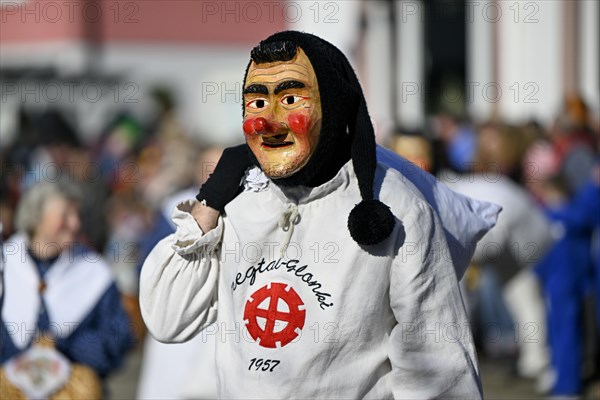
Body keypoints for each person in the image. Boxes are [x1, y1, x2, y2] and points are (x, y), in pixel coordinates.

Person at [140, 31, 499, 398]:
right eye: (257, 103)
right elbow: (168, 320)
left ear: (332, 105)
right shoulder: (239, 200)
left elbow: (436, 363)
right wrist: (210, 201)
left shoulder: (394, 209)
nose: (268, 122)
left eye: (291, 99)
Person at [0, 180, 135, 399]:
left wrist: (67, 348)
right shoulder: (5, 263)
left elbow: (118, 337)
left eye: (76, 215)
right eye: (65, 216)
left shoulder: (94, 272)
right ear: (36, 218)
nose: (75, 224)